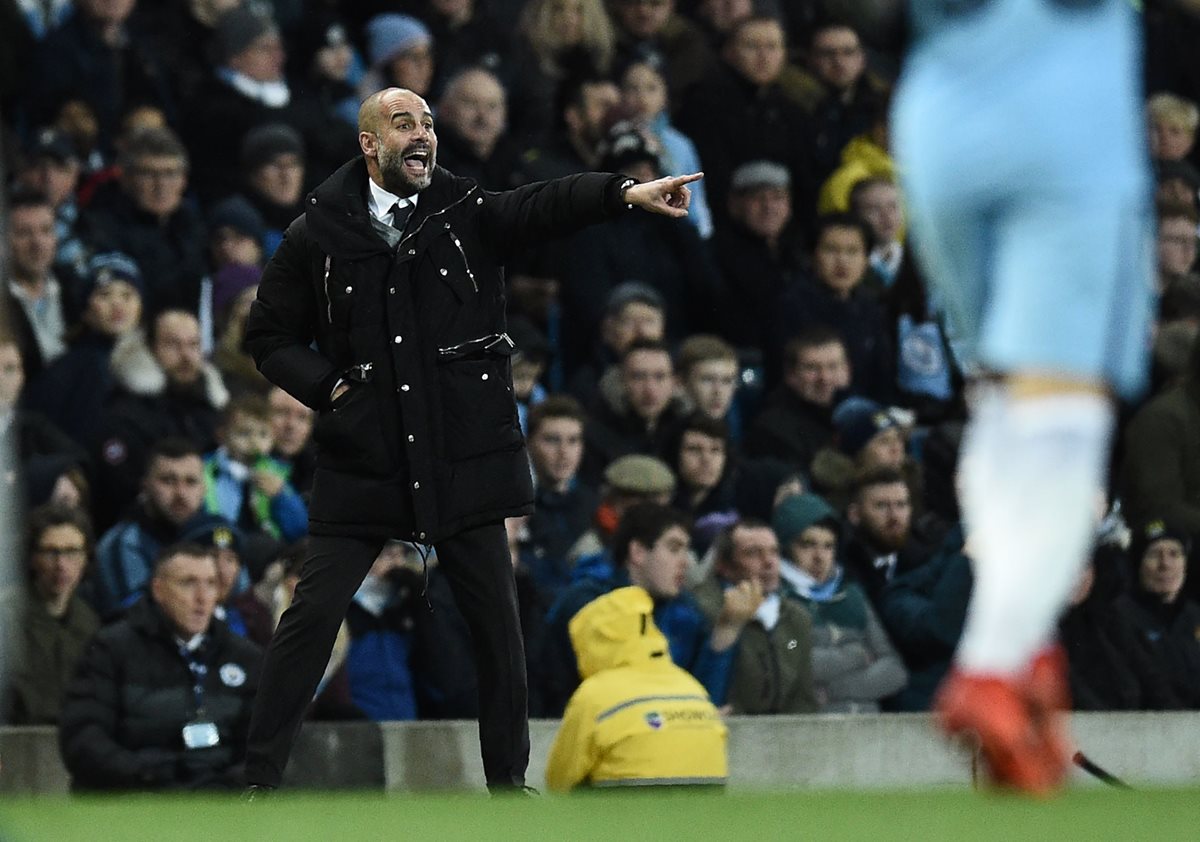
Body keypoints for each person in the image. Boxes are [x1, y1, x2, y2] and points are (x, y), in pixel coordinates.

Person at [240, 85, 703, 795]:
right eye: (404, 124)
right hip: (367, 458)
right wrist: (332, 389)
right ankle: (258, 782)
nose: (422, 133)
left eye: (428, 122)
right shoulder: (316, 235)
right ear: (369, 145)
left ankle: (508, 785)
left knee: (498, 626)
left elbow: (545, 203)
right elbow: (265, 336)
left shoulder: (468, 213)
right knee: (309, 622)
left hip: (464, 456)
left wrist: (623, 193)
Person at [886, 0, 1156, 792]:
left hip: (937, 112)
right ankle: (996, 668)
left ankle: (1028, 651)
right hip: (1063, 113)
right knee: (1061, 405)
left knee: (1007, 396)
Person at [59, 542, 262, 791]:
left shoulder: (244, 657)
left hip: (219, 803)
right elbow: (83, 739)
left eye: (211, 584)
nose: (202, 597)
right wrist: (149, 776)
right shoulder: (111, 649)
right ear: (158, 590)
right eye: (188, 583)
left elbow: (264, 746)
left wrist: (223, 787)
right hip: (135, 799)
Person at [545, 586, 728, 791]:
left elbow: (559, 780)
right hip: (707, 817)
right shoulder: (694, 690)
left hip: (625, 818)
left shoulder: (594, 695)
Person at [772, 493, 908, 712]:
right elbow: (792, 654)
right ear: (786, 548)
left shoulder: (851, 596)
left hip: (865, 728)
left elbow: (894, 670)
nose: (820, 556)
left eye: (828, 546)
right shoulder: (777, 598)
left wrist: (833, 690)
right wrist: (857, 654)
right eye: (808, 545)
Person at [690, 518, 817, 714]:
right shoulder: (703, 610)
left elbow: (803, 695)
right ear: (724, 566)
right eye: (753, 553)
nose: (769, 562)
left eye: (774, 551)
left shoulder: (796, 618)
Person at [5, 504, 99, 725]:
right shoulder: (7, 617)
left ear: (86, 558)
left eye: (72, 552)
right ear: (32, 557)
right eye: (50, 552)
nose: (61, 565)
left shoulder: (89, 621)